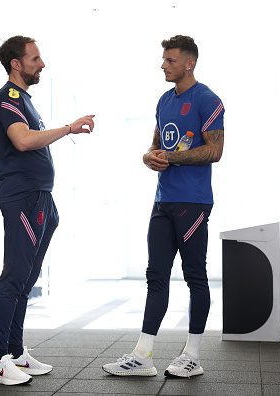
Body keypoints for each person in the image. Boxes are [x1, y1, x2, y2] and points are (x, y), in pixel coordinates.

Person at [102, 35, 224, 378]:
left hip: (193, 202)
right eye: (163, 59)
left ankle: (193, 356)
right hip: (163, 200)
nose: (163, 65)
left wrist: (172, 157)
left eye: (170, 60)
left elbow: (214, 151)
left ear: (189, 63)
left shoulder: (208, 99)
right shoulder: (163, 101)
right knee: (155, 276)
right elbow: (156, 144)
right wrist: (149, 156)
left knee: (195, 276)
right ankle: (143, 356)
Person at [0, 35, 94, 386]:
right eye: (35, 58)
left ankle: (15, 352)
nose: (41, 64)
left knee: (28, 279)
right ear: (16, 64)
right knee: (15, 276)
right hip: (22, 196)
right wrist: (68, 128)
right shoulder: (7, 98)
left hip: (41, 198)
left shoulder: (25, 100)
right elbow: (23, 140)